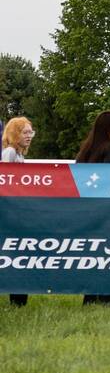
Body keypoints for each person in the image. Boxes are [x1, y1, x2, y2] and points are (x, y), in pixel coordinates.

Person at [73, 112, 110, 307]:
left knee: (95, 258)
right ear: (108, 128)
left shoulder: (85, 151)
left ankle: (91, 299)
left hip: (89, 213)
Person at [3, 117, 31, 305]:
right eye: (25, 132)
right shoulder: (10, 153)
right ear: (15, 134)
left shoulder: (20, 155)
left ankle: (19, 299)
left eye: (31, 132)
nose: (29, 136)